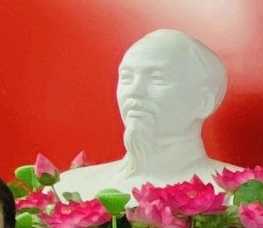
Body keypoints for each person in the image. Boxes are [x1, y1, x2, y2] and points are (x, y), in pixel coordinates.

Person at [53, 29, 235, 199]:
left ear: (202, 102)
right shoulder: (67, 189)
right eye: (127, 77)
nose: (134, 91)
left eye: (157, 78)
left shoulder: (237, 196)